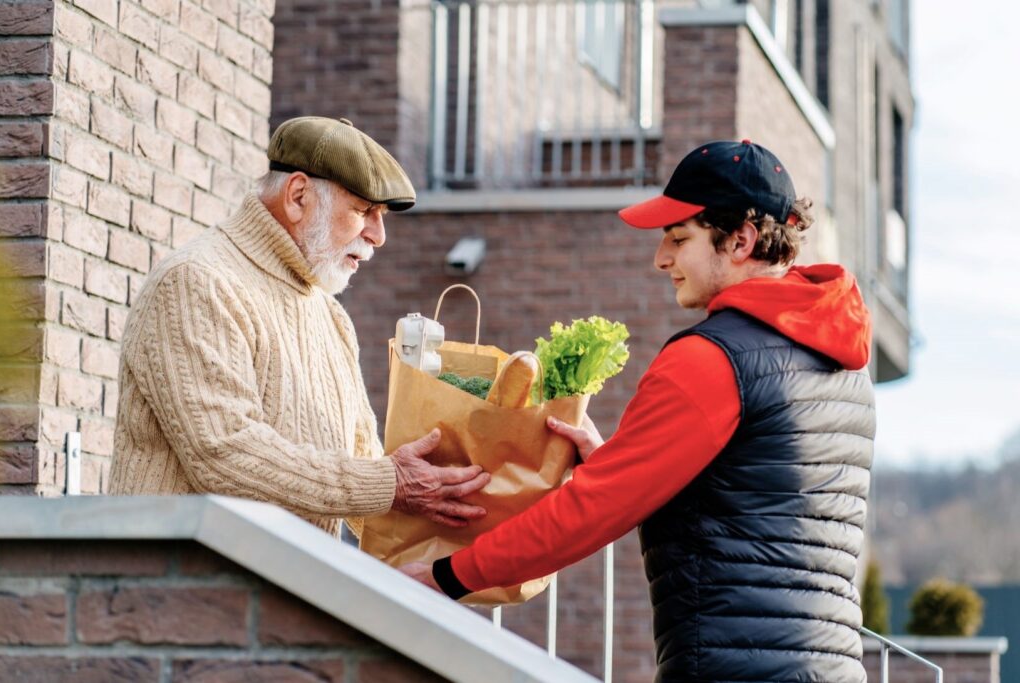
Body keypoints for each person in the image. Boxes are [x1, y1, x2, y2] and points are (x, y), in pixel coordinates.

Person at [403, 139, 876, 682]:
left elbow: (590, 511)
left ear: (741, 240)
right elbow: (763, 511)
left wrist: (446, 577)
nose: (661, 259)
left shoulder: (711, 359)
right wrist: (620, 460)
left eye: (679, 238)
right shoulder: (844, 366)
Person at [109, 116, 490, 538]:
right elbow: (225, 454)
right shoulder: (196, 281)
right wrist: (390, 484)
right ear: (298, 196)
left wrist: (480, 494)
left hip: (278, 597)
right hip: (178, 596)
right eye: (364, 211)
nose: (379, 236)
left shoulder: (330, 318)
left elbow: (366, 483)